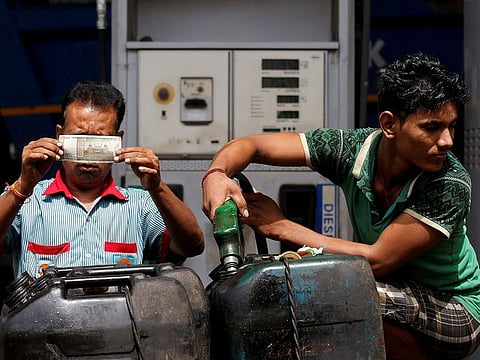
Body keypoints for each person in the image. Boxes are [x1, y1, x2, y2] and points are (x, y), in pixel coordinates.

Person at [201, 52, 480, 359]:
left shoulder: (449, 182)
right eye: (432, 127)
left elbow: (377, 262)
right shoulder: (350, 149)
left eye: (451, 126)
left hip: (455, 309)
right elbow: (251, 145)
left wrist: (283, 227)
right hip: (393, 290)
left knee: (338, 290)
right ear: (389, 125)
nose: (447, 141)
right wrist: (216, 176)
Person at [0, 81, 204, 278]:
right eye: (80, 139)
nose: (88, 155)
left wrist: (157, 187)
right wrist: (23, 185)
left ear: (118, 140)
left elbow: (193, 245)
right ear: (60, 135)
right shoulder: (27, 201)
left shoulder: (140, 206)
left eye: (99, 142)